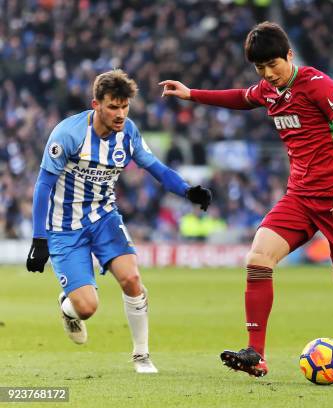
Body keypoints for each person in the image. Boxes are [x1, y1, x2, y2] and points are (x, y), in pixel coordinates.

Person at [159, 22, 333, 379]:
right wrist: (192, 94)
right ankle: (256, 353)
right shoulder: (269, 91)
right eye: (260, 69)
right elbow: (241, 98)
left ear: (290, 55)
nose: (268, 74)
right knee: (258, 258)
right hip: (299, 197)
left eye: (274, 65)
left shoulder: (318, 85)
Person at [26, 69, 212, 374]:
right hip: (64, 226)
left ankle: (141, 356)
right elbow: (43, 185)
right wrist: (39, 239)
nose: (120, 114)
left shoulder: (129, 132)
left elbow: (156, 168)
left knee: (131, 279)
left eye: (125, 106)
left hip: (104, 217)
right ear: (96, 104)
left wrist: (187, 190)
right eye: (113, 106)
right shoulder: (68, 134)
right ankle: (69, 307)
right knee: (87, 307)